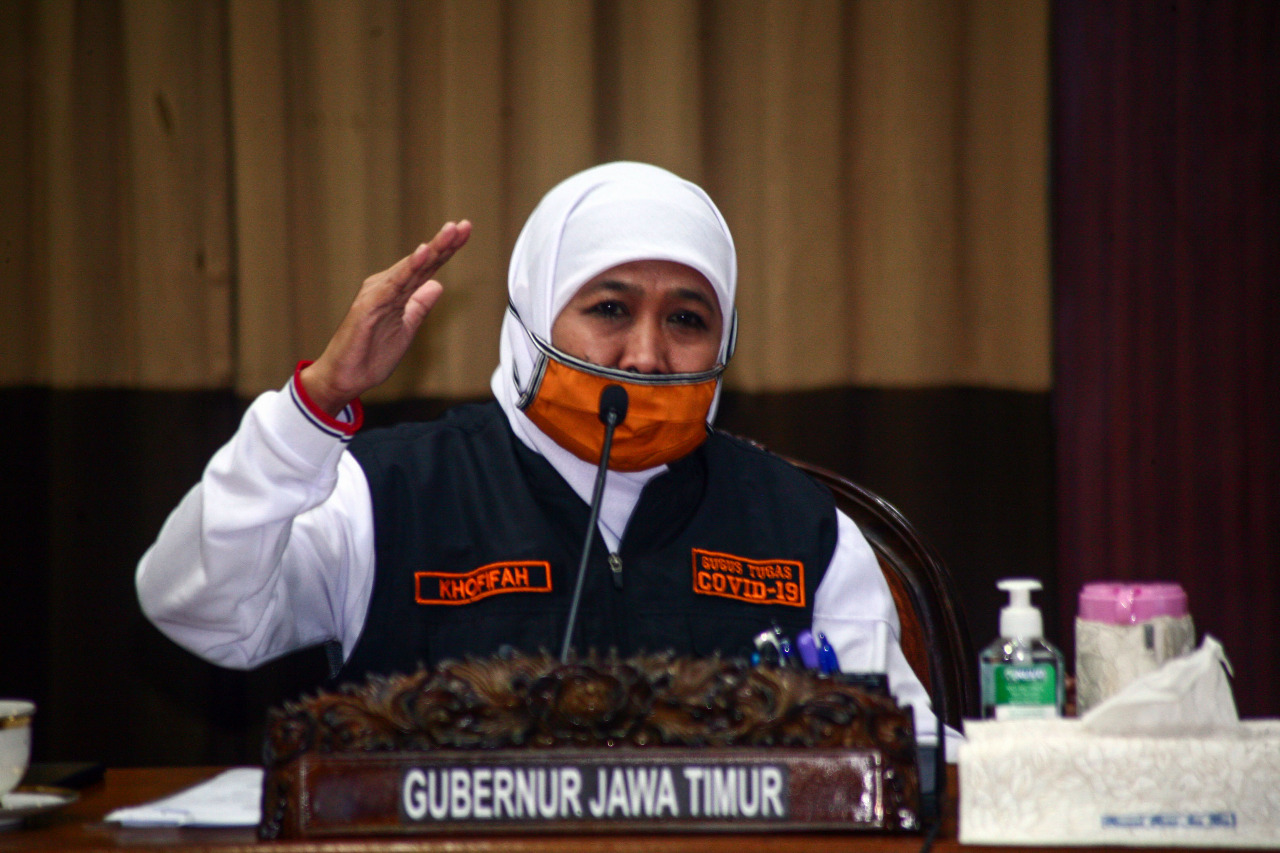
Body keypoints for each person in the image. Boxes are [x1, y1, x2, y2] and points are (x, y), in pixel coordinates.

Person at [137, 162, 948, 749]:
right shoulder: (389, 494)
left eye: (688, 318)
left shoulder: (797, 523)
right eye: (608, 307)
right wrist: (310, 411)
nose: (645, 354)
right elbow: (201, 608)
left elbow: (904, 748)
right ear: (530, 319)